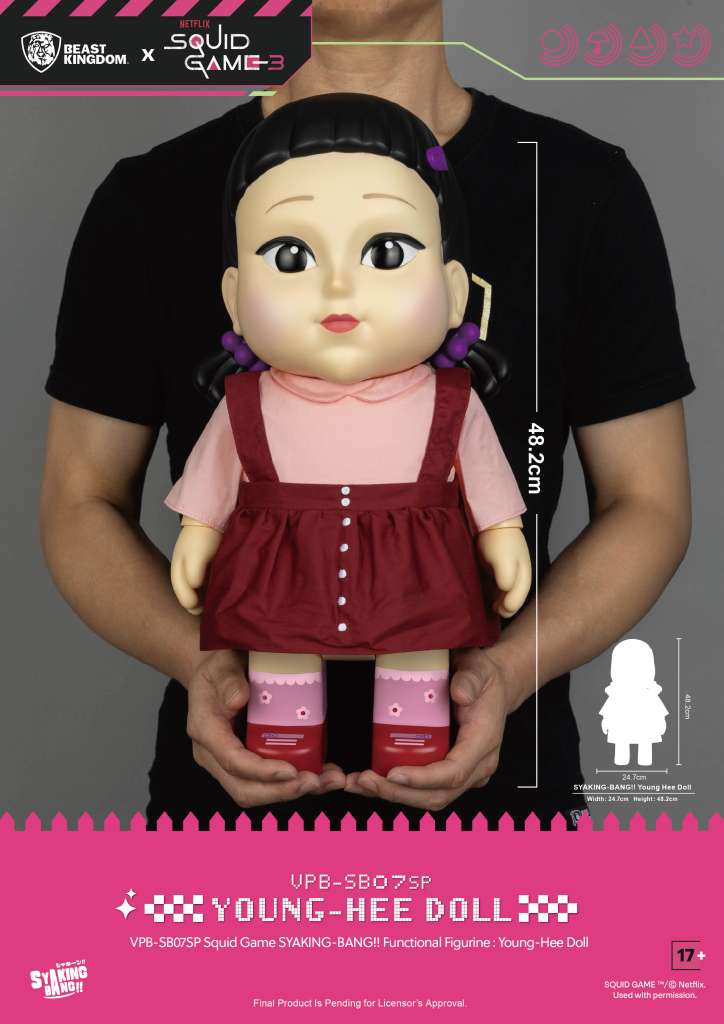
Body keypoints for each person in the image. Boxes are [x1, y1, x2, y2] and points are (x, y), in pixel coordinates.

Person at [39, 0, 694, 829]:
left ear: (452, 288)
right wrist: (200, 664)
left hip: (505, 821)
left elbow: (649, 503)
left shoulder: (578, 187)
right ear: (237, 293)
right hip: (226, 824)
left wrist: (503, 674)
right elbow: (78, 500)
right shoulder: (148, 200)